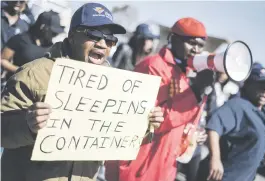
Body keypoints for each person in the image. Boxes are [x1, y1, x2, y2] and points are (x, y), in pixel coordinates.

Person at [1, 3, 164, 181]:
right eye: (93, 34)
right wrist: (27, 124)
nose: (102, 44)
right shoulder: (34, 74)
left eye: (109, 39)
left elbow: (119, 140)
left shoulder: (118, 87)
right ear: (72, 36)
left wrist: (145, 125)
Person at [105, 17, 213, 181]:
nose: (196, 50)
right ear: (173, 39)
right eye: (191, 43)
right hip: (140, 163)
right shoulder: (153, 66)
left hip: (163, 165)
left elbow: (181, 120)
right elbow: (156, 121)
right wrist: (196, 91)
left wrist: (191, 135)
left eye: (200, 45)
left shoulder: (186, 73)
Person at [206, 64, 265, 181]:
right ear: (249, 84)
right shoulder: (238, 105)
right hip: (223, 176)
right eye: (261, 86)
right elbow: (214, 126)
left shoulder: (264, 114)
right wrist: (215, 159)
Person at [1, 10, 64, 81]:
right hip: (14, 86)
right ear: (42, 27)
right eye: (53, 32)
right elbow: (2, 60)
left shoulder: (53, 49)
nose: (55, 35)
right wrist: (21, 71)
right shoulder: (21, 39)